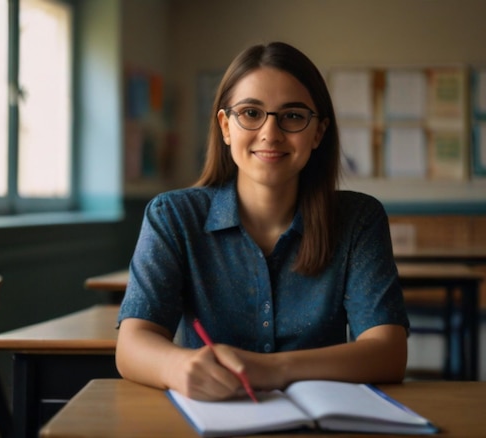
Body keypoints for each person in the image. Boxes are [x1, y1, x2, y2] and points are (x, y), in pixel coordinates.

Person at [115, 41, 409, 401]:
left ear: (318, 132)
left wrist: (271, 369)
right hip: (214, 417)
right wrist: (179, 367)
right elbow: (131, 345)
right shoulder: (173, 216)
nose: (270, 133)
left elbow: (389, 353)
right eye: (251, 113)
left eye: (293, 115)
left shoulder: (358, 219)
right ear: (225, 127)